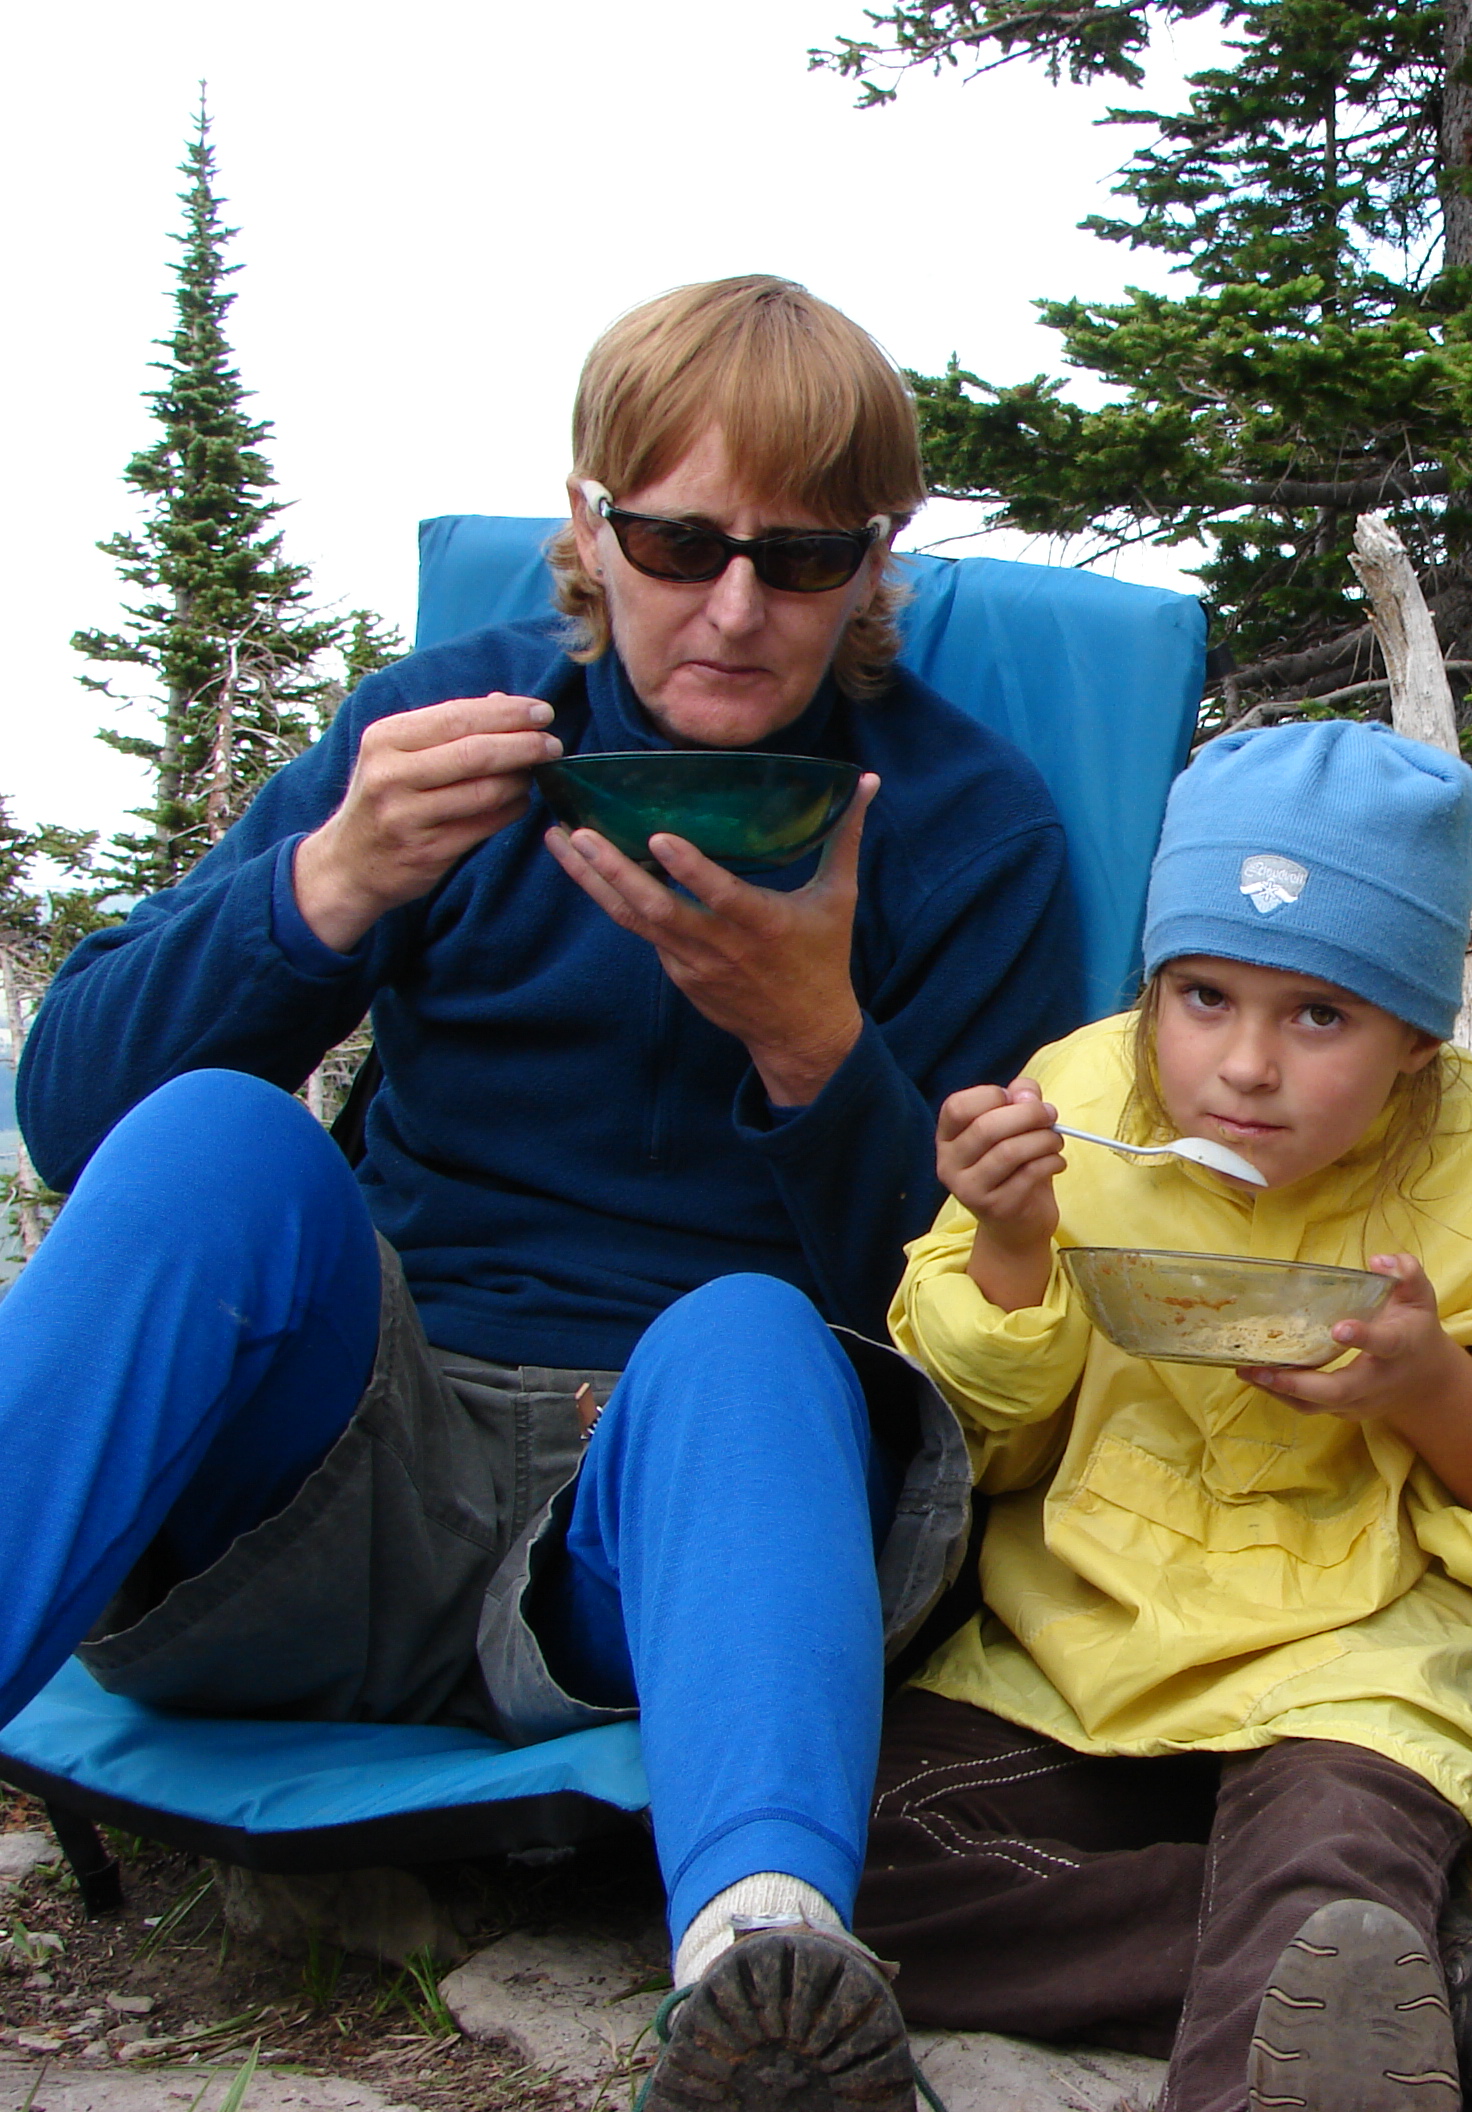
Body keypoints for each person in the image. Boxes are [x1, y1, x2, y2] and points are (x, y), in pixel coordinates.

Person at [5, 276, 1082, 2112]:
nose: (734, 609)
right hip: (338, 1474)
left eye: (801, 559)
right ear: (588, 525)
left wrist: (817, 1048)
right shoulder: (444, 732)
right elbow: (74, 1113)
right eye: (677, 540)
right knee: (212, 1143)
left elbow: (989, 1300)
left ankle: (770, 1976)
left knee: (746, 1331)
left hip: (666, 1562)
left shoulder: (961, 830)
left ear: (876, 562)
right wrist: (322, 888)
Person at [856, 719, 1472, 2112]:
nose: (1246, 1066)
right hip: (1080, 1642)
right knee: (844, 1856)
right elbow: (977, 1448)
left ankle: (1319, 1984)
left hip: (1369, 1667)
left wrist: (1429, 1387)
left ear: (1412, 1039)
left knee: (1328, 1844)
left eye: (1319, 1014)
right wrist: (1012, 1246)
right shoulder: (1077, 1098)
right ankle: (1423, 1970)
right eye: (1203, 997)